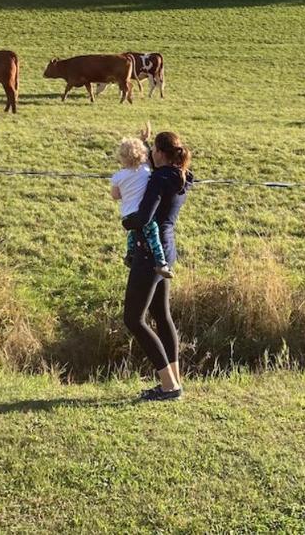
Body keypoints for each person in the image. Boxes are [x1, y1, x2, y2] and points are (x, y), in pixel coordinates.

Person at [121, 125, 193, 402]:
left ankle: (168, 386)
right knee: (162, 316)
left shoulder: (158, 179)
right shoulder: (180, 177)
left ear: (161, 153)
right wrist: (143, 143)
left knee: (134, 319)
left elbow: (144, 217)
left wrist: (126, 222)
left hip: (149, 252)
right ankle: (174, 380)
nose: (150, 153)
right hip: (167, 249)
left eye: (153, 150)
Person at [110, 136, 172, 279]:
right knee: (153, 234)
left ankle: (130, 255)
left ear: (121, 157)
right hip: (143, 213)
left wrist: (125, 191)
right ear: (143, 154)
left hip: (127, 214)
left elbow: (115, 195)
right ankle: (161, 263)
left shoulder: (118, 176)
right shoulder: (145, 170)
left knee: (133, 233)